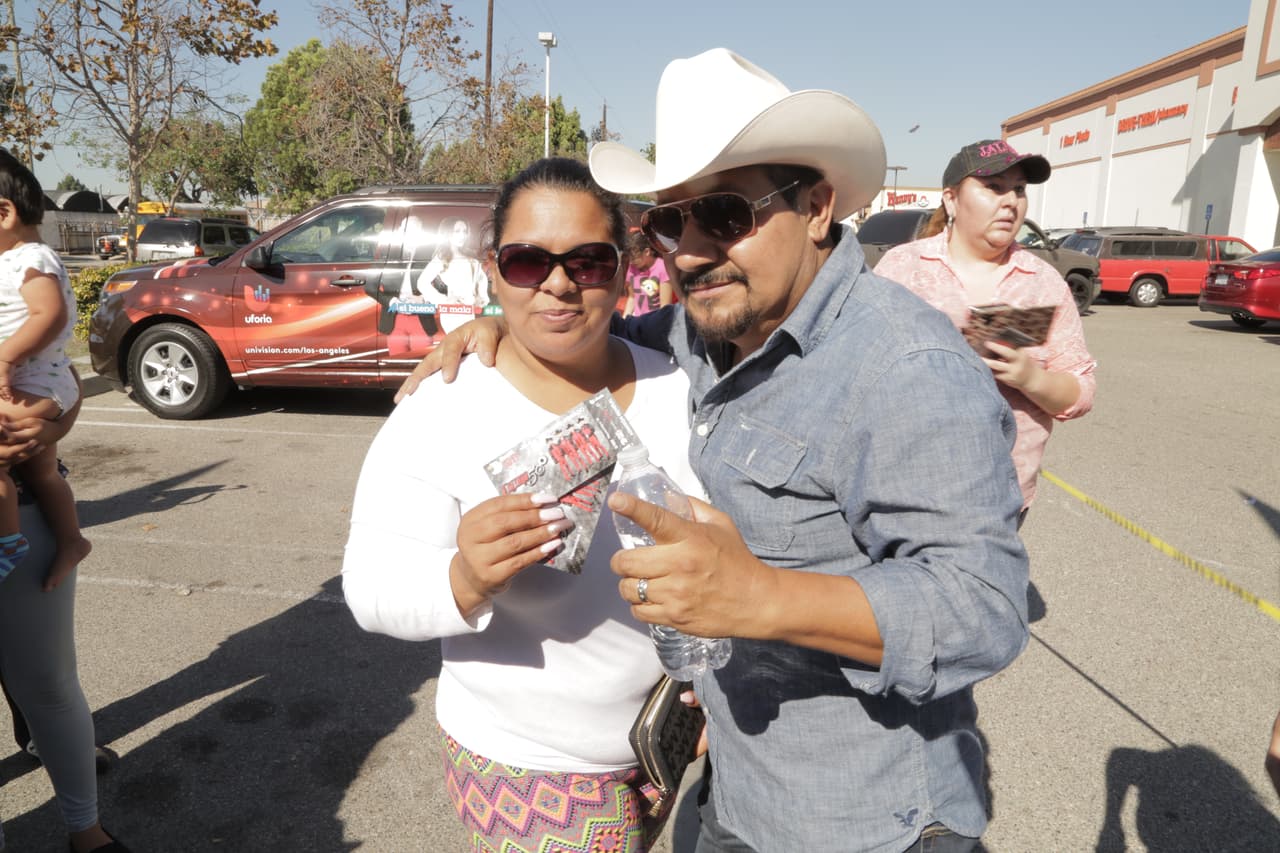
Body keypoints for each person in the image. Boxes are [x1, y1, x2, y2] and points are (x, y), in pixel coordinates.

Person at [396, 49, 1030, 853]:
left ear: (816, 206)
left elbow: (986, 606)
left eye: (725, 214)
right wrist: (496, 326)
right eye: (669, 221)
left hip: (866, 821)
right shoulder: (699, 329)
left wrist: (760, 597)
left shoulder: (906, 370)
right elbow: (591, 337)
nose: (689, 251)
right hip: (733, 787)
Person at [342, 157, 703, 852]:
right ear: (492, 270)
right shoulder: (444, 404)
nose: (559, 283)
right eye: (528, 260)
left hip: (661, 744)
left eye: (588, 261)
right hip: (525, 763)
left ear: (625, 269)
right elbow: (370, 584)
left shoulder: (679, 386)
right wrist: (463, 577)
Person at [874, 139, 1096, 516]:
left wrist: (1030, 378)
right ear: (951, 199)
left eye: (1019, 190)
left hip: (1001, 499)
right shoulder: (902, 269)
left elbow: (1081, 391)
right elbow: (854, 367)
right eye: (994, 187)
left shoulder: (1041, 283)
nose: (1011, 201)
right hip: (902, 489)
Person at [0, 374, 130, 853]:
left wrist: (51, 429)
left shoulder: (16, 310)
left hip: (27, 512)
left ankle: (86, 830)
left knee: (50, 683)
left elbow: (64, 380)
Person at [0, 150, 90, 590]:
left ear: (4, 213)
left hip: (36, 382)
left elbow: (49, 314)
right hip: (43, 383)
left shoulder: (27, 258)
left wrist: (4, 358)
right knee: (42, 472)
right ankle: (71, 539)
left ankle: (7, 543)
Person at [416, 216, 489, 312]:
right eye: (457, 231)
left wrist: (482, 296)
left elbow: (481, 279)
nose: (462, 235)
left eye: (464, 231)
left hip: (471, 310)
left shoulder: (471, 257)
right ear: (447, 233)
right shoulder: (442, 258)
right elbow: (422, 283)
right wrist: (444, 300)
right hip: (453, 311)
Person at [622, 228, 673, 317]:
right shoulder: (632, 268)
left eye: (634, 258)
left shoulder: (662, 268)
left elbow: (665, 306)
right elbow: (632, 297)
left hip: (655, 320)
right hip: (637, 319)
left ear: (647, 252)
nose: (631, 262)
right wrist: (624, 318)